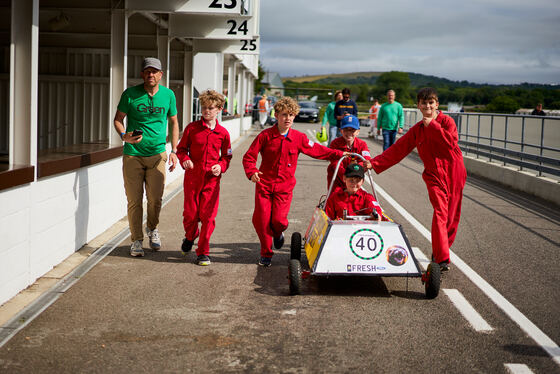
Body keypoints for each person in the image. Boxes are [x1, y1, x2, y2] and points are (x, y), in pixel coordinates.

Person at [368, 87, 467, 271]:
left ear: (437, 104)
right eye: (424, 103)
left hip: (454, 172)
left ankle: (441, 249)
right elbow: (399, 149)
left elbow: (450, 144)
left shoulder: (447, 122)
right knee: (440, 212)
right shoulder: (418, 130)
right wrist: (374, 163)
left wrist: (434, 126)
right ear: (418, 106)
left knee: (452, 218)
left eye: (431, 102)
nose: (428, 106)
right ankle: (442, 259)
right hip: (433, 175)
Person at [242, 96, 346, 267]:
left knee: (279, 221)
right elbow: (249, 157)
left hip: (284, 188)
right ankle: (266, 253)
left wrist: (338, 154)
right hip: (264, 185)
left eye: (291, 115)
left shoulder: (299, 138)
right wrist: (252, 171)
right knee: (261, 220)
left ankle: (278, 233)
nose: (288, 118)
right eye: (284, 115)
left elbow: (318, 150)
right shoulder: (265, 136)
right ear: (276, 115)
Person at [113, 57, 179, 257]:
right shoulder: (130, 94)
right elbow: (118, 119)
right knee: (134, 201)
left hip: (158, 154)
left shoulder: (168, 95)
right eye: (147, 71)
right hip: (133, 155)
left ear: (161, 74)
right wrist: (124, 136)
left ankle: (152, 228)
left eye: (154, 71)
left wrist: (174, 150)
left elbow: (174, 122)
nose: (151, 74)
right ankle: (136, 240)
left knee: (155, 199)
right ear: (142, 74)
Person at [176, 90, 232, 266]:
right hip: (193, 178)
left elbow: (227, 156)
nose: (206, 111)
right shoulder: (192, 129)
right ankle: (190, 236)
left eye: (211, 108)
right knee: (190, 215)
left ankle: (203, 252)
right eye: (204, 108)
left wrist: (221, 166)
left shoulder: (223, 133)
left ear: (219, 110)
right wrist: (185, 160)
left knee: (208, 217)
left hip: (212, 181)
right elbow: (181, 149)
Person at [327, 115, 371, 190]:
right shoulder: (335, 143)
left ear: (358, 132)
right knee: (336, 198)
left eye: (352, 130)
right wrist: (347, 176)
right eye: (346, 130)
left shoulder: (362, 144)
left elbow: (366, 161)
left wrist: (355, 170)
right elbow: (335, 163)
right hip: (337, 179)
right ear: (341, 130)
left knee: (355, 199)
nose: (349, 133)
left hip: (355, 179)